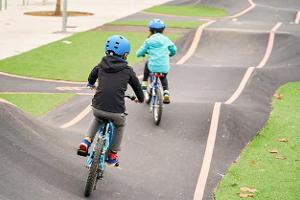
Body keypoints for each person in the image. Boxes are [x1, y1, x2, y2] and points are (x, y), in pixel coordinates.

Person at [77, 35, 144, 165]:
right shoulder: (128, 70)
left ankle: (86, 141)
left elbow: (91, 76)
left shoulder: (101, 65)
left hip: (98, 107)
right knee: (120, 125)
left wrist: (91, 84)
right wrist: (140, 99)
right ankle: (112, 155)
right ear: (125, 55)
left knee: (97, 118)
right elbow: (137, 87)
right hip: (116, 111)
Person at [136, 19, 177, 104]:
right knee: (163, 77)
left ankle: (144, 87)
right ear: (163, 29)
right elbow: (174, 50)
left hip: (153, 66)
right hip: (164, 67)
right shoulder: (166, 40)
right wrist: (170, 54)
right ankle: (166, 93)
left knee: (147, 64)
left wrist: (142, 54)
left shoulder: (149, 40)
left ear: (152, 30)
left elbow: (139, 53)